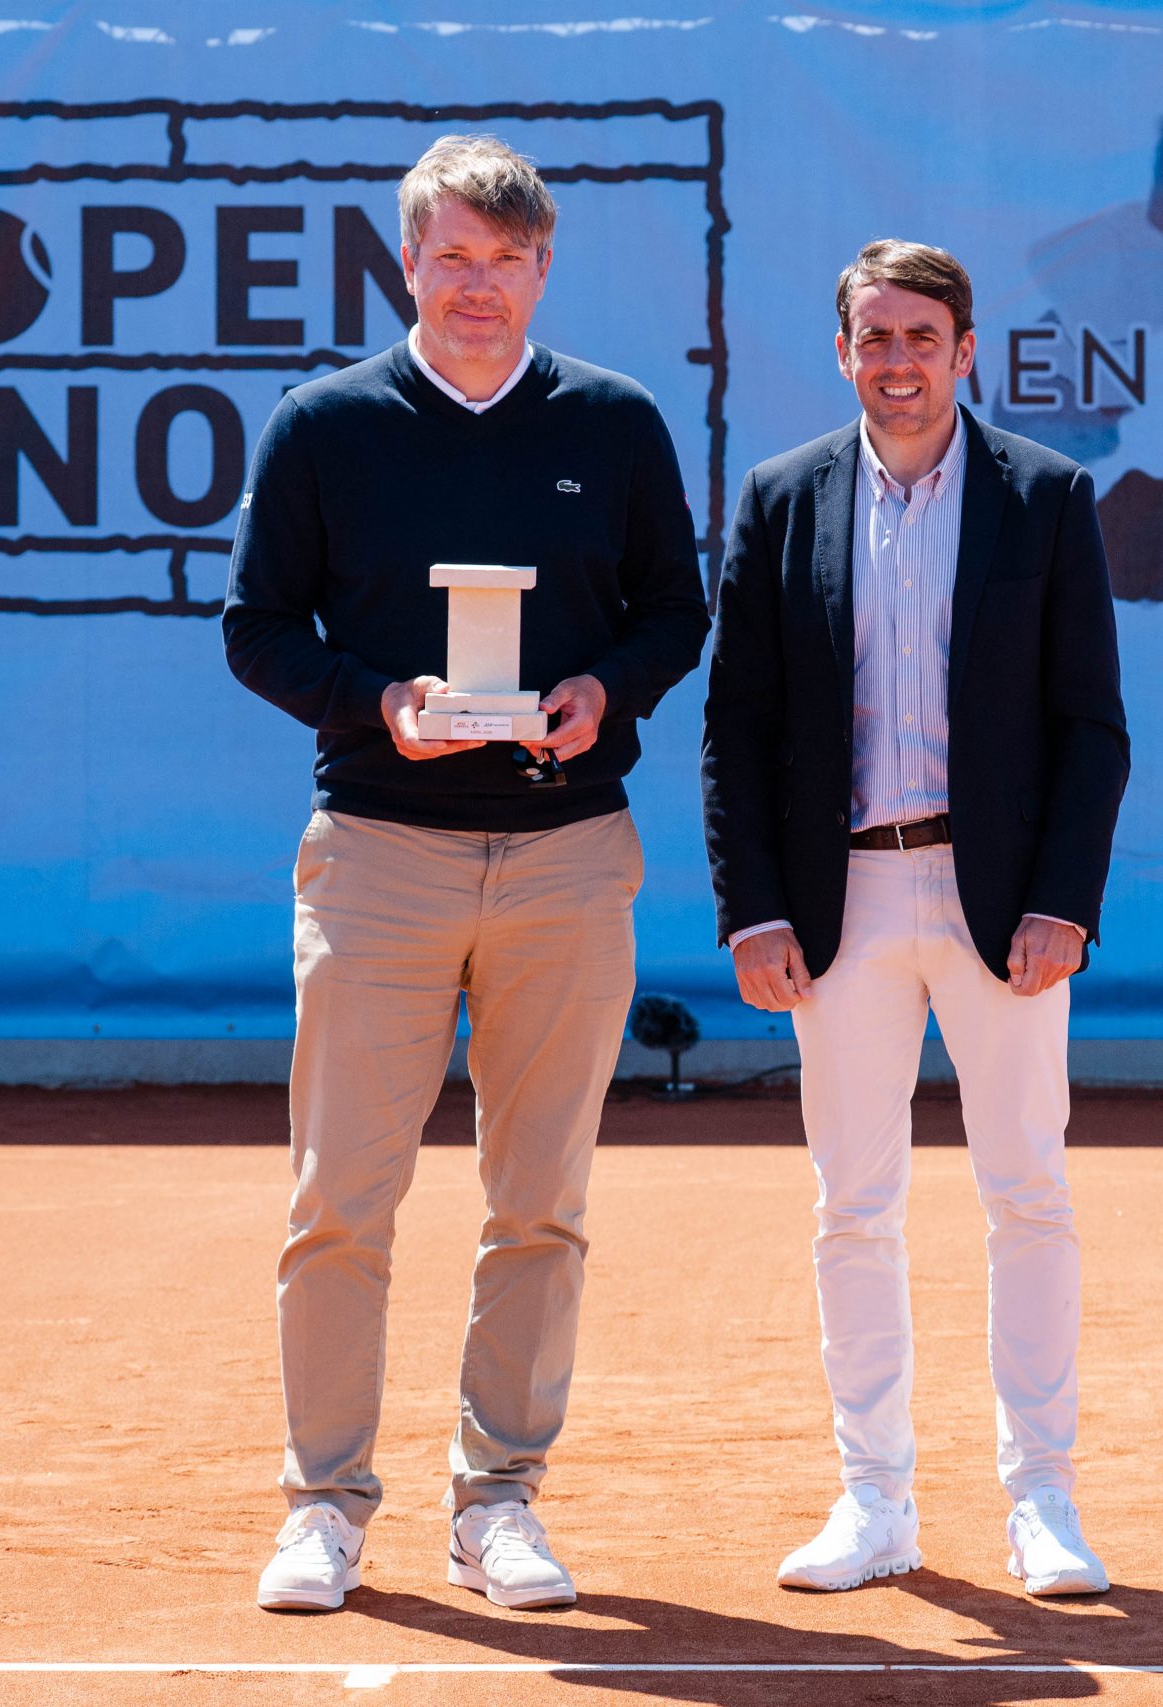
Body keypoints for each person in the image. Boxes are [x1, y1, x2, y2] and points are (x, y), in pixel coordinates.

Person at [224, 134, 708, 1613]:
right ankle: (325, 1503)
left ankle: (500, 1502)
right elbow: (260, 632)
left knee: (540, 1204)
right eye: (453, 258)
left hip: (568, 859)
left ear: (542, 269)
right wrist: (379, 705)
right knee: (340, 1203)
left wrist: (599, 695)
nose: (478, 285)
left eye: (506, 261)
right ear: (407, 264)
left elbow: (674, 617)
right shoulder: (323, 424)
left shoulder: (616, 425)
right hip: (378, 857)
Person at [701, 240, 1129, 1597]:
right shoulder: (781, 500)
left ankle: (1041, 1503)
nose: (897, 361)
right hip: (844, 900)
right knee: (853, 1205)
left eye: (921, 338)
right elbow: (738, 729)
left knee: (1028, 1192)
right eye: (874, 338)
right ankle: (875, 1503)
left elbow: (1090, 727)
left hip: (1003, 902)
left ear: (965, 350)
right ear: (843, 352)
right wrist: (754, 908)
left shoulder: (1047, 497)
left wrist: (1064, 898)